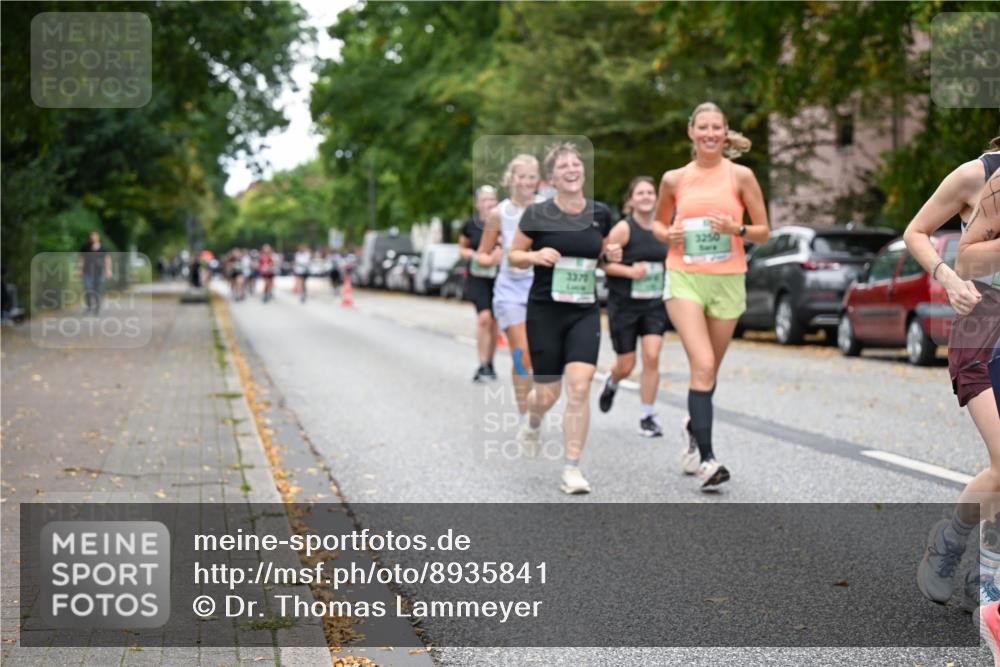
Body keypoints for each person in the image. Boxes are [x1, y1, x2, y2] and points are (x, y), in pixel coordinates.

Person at [651, 102, 769, 490]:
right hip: (684, 276)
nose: (710, 133)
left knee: (709, 371)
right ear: (691, 132)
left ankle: (692, 424)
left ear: (724, 131)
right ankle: (707, 460)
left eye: (716, 127)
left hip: (728, 279)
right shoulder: (674, 179)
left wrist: (735, 228)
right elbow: (657, 222)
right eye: (703, 127)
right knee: (701, 363)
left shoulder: (741, 176)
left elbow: (763, 231)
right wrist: (666, 234)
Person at [904, 138, 1000, 615]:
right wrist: (947, 277)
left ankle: (972, 559)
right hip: (982, 332)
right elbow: (916, 232)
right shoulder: (975, 176)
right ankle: (969, 561)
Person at [508, 143, 622, 494]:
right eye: (563, 166)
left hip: (584, 311)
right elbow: (513, 255)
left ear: (582, 172)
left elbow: (605, 254)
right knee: (548, 392)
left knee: (579, 385)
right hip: (545, 311)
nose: (572, 169)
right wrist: (535, 255)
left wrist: (612, 253)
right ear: (552, 178)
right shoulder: (537, 214)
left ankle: (572, 468)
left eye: (577, 164)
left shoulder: (601, 213)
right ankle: (533, 419)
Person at [476, 155, 544, 433]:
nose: (526, 181)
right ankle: (523, 413)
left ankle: (535, 399)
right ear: (510, 179)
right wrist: (491, 258)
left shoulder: (547, 209)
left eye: (532, 176)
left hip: (540, 290)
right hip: (509, 292)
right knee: (521, 352)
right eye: (521, 176)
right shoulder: (499, 213)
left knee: (540, 354)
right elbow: (481, 255)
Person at [599, 176, 669, 437]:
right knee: (626, 364)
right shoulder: (623, 229)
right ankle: (613, 380)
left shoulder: (663, 229)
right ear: (631, 200)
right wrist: (629, 272)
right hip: (624, 304)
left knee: (652, 356)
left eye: (650, 192)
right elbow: (603, 262)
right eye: (640, 193)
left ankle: (647, 416)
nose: (646, 197)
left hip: (654, 304)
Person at [460, 185, 500, 382]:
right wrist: (474, 255)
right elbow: (462, 248)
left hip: (499, 277)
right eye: (484, 200)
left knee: (494, 321)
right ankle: (482, 363)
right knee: (484, 317)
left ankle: (490, 362)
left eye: (492, 199)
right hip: (477, 277)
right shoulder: (470, 225)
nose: (489, 203)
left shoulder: (503, 223)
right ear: (477, 204)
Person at [79, 230, 112, 315]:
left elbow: (107, 259)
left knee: (97, 290)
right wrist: (80, 270)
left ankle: (97, 308)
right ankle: (89, 307)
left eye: (94, 236)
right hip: (87, 272)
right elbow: (82, 259)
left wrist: (108, 270)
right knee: (88, 289)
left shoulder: (103, 248)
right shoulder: (85, 247)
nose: (92, 238)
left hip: (98, 272)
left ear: (98, 237)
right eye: (91, 236)